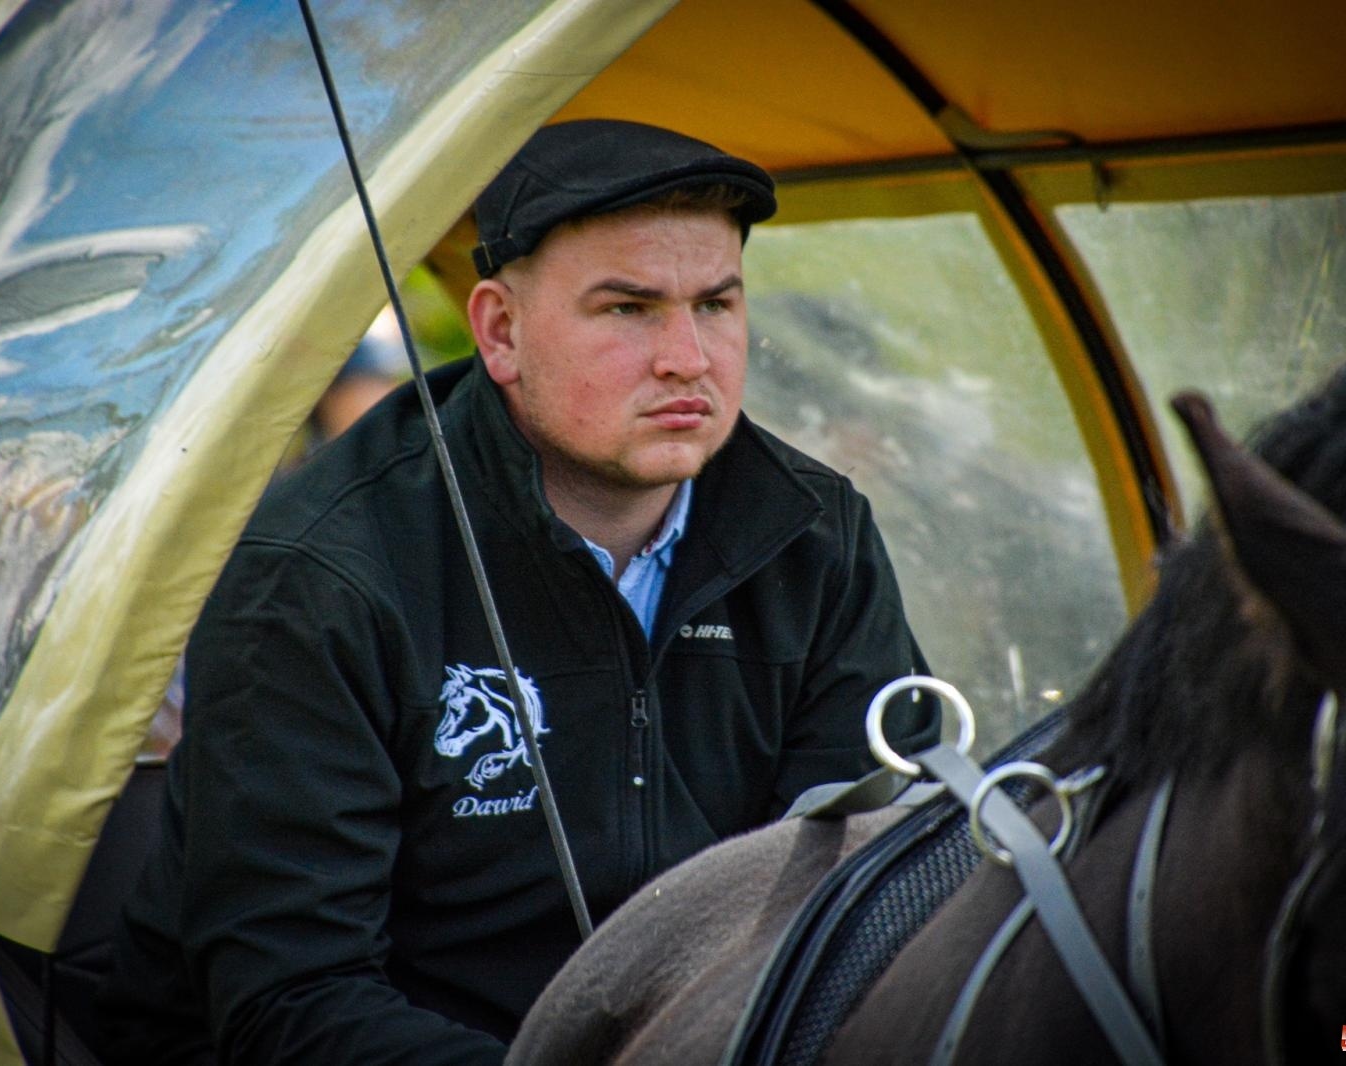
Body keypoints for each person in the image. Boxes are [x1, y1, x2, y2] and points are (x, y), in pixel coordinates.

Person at [98, 119, 936, 1066]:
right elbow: (288, 1001)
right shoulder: (323, 570)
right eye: (627, 309)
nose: (688, 358)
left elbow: (879, 889)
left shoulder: (817, 536)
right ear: (500, 331)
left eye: (716, 304)